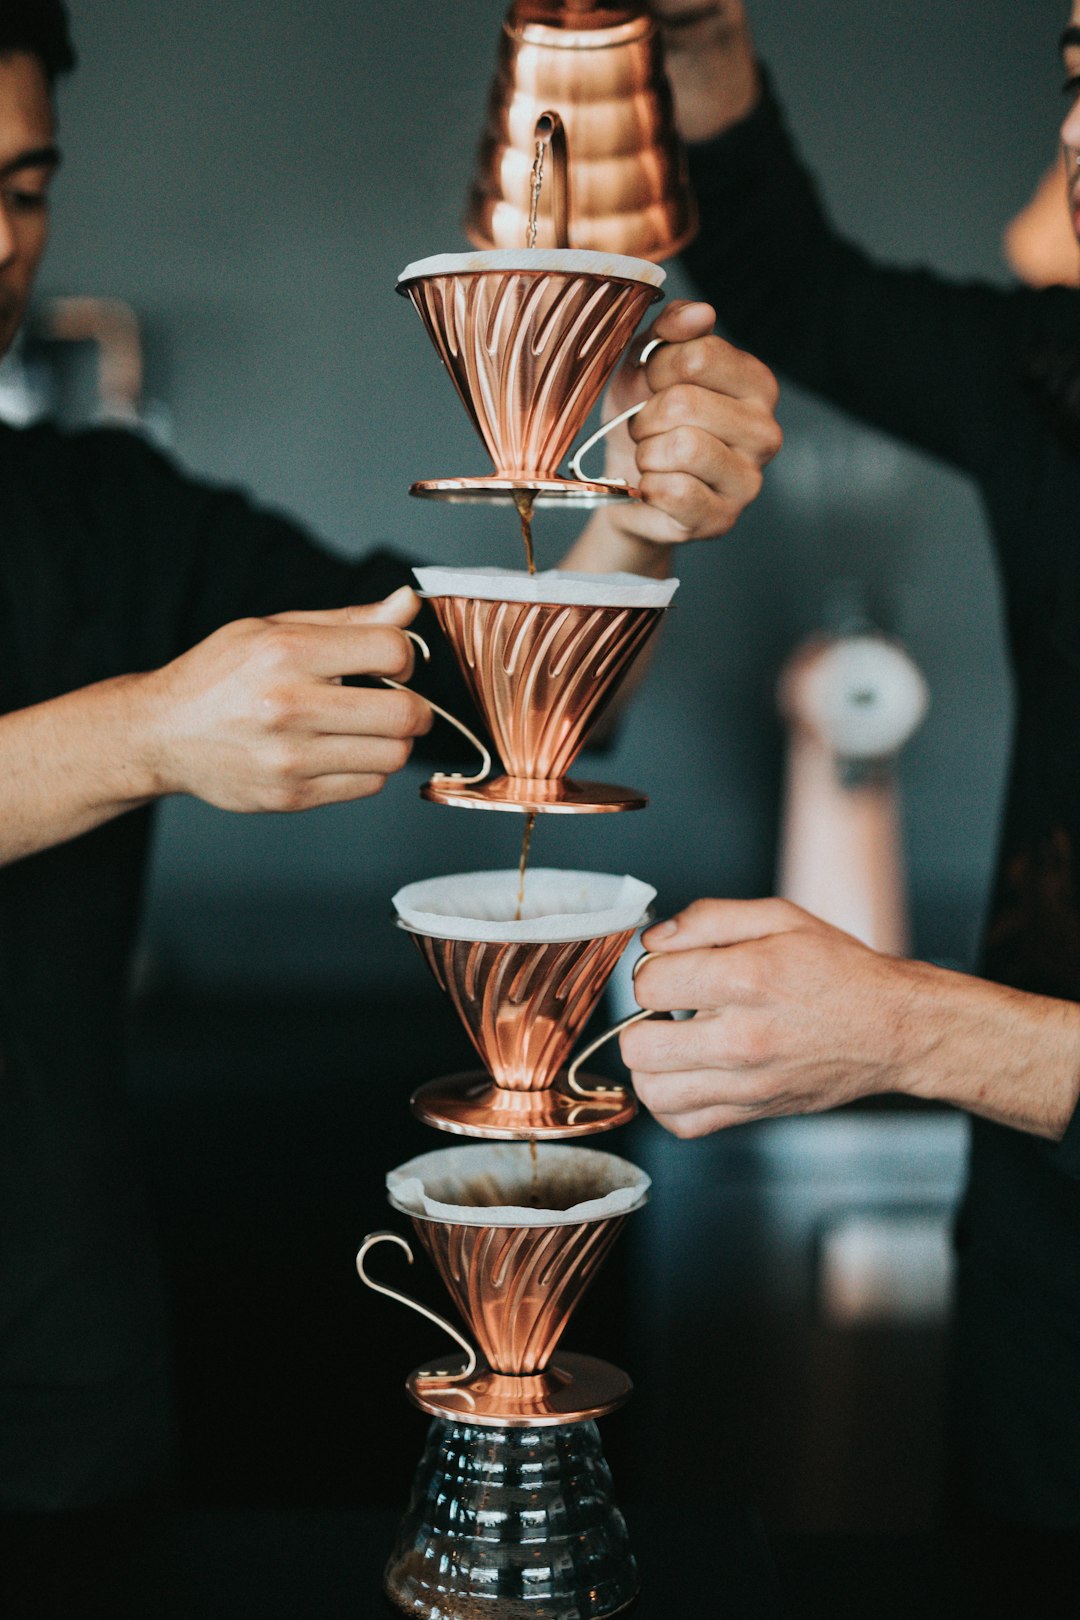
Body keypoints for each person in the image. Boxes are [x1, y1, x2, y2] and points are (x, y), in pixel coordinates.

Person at [0, 3, 783, 1513]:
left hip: (57, 1353)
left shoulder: (98, 512)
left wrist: (631, 509)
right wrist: (145, 734)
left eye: (23, 190)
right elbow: (152, 727)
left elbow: (504, 701)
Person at [621, 0, 1080, 1594]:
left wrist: (907, 1030)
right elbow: (798, 288)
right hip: (1046, 1316)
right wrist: (698, 48)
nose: (1070, 161)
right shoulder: (1061, 388)